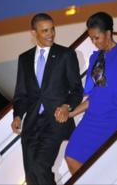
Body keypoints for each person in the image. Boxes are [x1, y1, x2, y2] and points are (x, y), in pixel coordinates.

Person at [11, 13, 83, 184]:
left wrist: (67, 106)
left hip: (56, 119)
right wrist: (18, 115)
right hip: (32, 123)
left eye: (52, 29)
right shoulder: (24, 59)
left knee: (40, 166)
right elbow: (21, 94)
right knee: (31, 175)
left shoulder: (66, 55)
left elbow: (77, 90)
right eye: (45, 31)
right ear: (33, 33)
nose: (51, 34)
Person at [65, 12, 117, 174]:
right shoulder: (96, 58)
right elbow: (95, 96)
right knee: (71, 156)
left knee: (99, 166)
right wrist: (71, 114)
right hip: (93, 116)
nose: (94, 42)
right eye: (91, 39)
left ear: (108, 33)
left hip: (113, 116)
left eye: (96, 38)